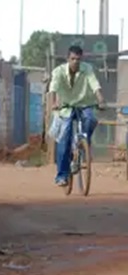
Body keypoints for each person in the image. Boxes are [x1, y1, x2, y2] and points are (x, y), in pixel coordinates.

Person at [49, 44, 105, 187]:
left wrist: (100, 100)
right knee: (64, 139)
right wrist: (55, 102)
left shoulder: (87, 69)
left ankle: (82, 143)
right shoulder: (58, 72)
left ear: (81, 59)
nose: (75, 62)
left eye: (78, 59)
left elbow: (95, 85)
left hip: (84, 104)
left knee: (91, 119)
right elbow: (53, 88)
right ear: (68, 59)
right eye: (73, 59)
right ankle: (62, 175)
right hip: (66, 107)